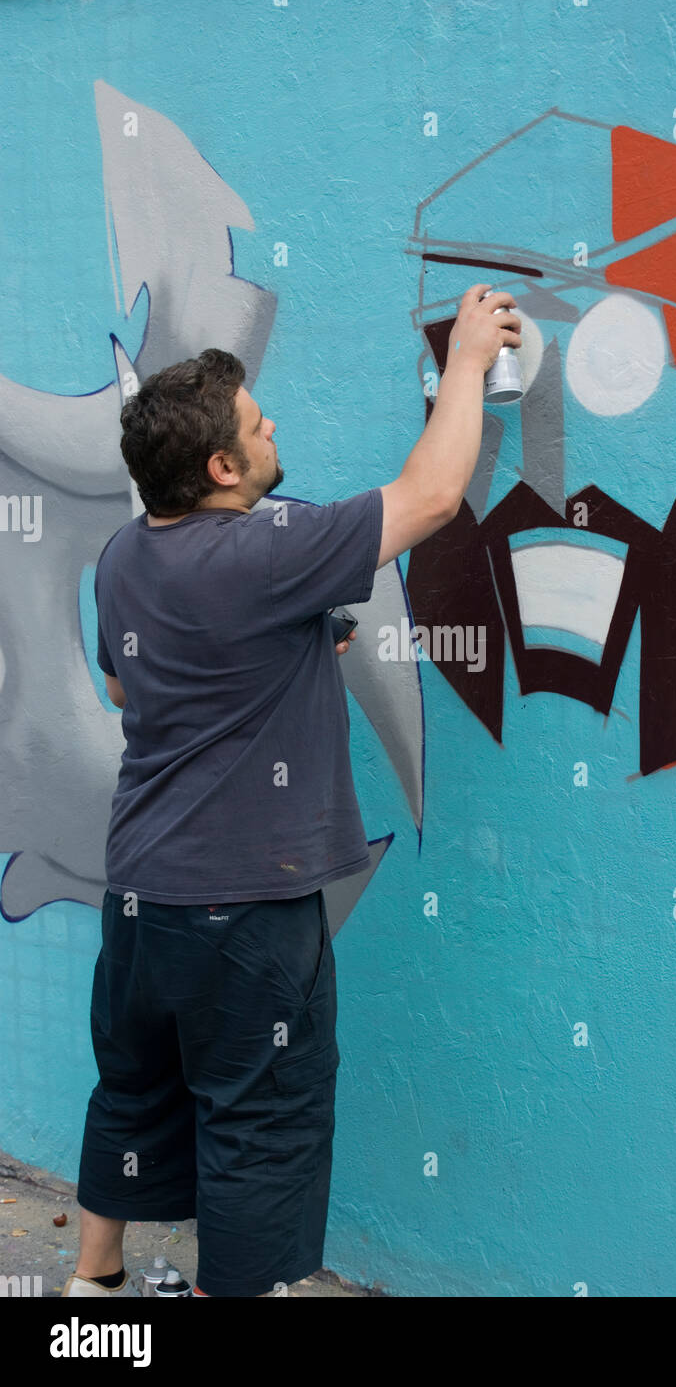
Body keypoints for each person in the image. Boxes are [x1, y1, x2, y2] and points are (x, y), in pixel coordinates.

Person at [62, 283, 522, 1298]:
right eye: (258, 427)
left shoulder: (124, 558)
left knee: (132, 1091)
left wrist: (292, 644)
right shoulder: (269, 549)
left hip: (140, 898)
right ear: (223, 468)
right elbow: (431, 497)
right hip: (245, 914)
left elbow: (125, 682)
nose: (275, 431)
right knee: (257, 1127)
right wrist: (467, 363)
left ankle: (91, 1289)